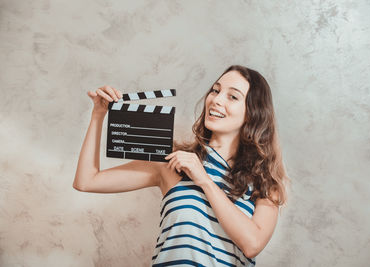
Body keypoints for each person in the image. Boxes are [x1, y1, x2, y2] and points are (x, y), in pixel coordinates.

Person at [73, 65, 289, 266]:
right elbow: (86, 181)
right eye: (215, 91)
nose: (216, 100)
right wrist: (98, 115)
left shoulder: (266, 184)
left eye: (232, 96)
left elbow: (252, 245)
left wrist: (203, 179)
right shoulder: (172, 162)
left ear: (253, 113)